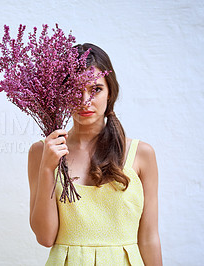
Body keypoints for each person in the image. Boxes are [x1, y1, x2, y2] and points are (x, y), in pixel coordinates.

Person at [27, 43, 162, 265]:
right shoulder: (41, 152)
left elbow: (148, 238)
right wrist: (47, 168)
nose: (84, 101)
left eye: (96, 89)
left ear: (110, 93)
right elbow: (45, 237)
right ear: (61, 95)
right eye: (74, 90)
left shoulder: (141, 154)